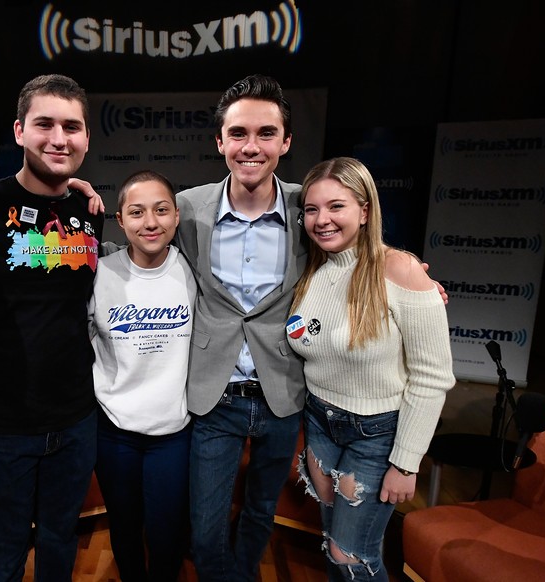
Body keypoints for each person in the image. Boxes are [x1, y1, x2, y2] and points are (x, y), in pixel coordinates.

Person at [0, 74, 103, 582]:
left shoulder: (88, 210)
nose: (59, 138)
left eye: (72, 126)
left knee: (60, 541)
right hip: (0, 426)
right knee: (1, 549)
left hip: (76, 418)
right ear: (19, 131)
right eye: (45, 124)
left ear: (86, 137)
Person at [287, 156, 454, 581]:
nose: (322, 220)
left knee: (351, 556)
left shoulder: (400, 270)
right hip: (321, 424)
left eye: (336, 206)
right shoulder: (312, 270)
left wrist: (406, 462)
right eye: (311, 209)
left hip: (376, 436)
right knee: (334, 543)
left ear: (365, 211)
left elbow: (432, 377)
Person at [172, 74, 306, 581]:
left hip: (282, 392)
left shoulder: (307, 206)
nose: (252, 146)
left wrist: (402, 261)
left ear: (286, 142)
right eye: (239, 133)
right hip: (215, 395)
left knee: (259, 512)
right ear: (220, 141)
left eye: (266, 133)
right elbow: (136, 250)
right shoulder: (186, 207)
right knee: (205, 527)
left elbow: (360, 238)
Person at [88, 170, 196, 581]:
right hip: (114, 430)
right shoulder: (100, 272)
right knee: (125, 525)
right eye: (137, 212)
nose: (150, 222)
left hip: (174, 432)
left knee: (168, 531)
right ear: (120, 220)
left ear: (176, 216)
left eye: (161, 210)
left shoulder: (195, 273)